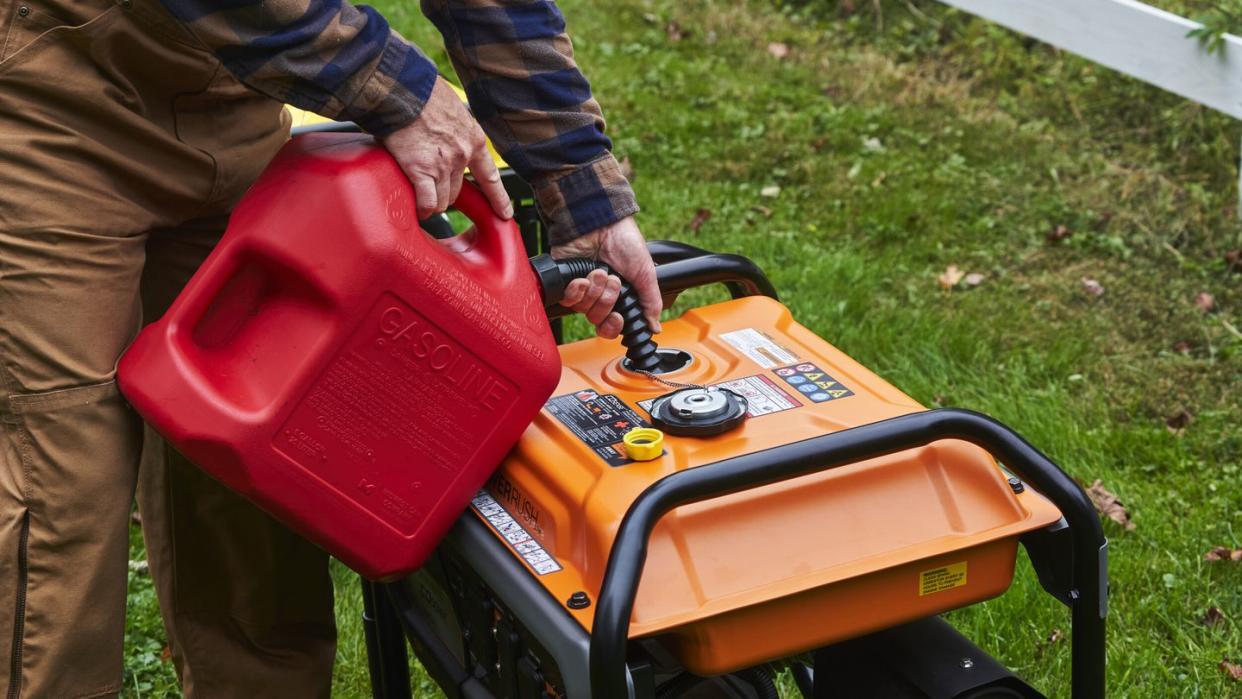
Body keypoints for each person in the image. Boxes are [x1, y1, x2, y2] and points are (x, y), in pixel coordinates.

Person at [0, 0, 661, 695]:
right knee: (60, 503)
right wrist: (397, 88)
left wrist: (584, 193)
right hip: (52, 106)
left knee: (259, 478)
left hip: (236, 98)